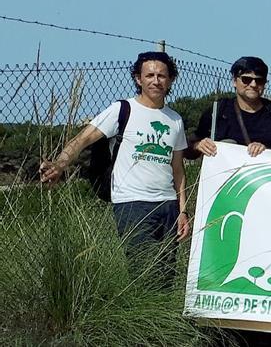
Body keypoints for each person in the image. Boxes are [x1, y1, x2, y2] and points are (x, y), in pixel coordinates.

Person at [39, 52, 191, 250]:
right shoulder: (122, 110)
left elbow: (178, 169)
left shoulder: (175, 119)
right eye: (149, 76)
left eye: (161, 76)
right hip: (132, 204)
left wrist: (183, 211)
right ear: (138, 79)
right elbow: (83, 138)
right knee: (142, 269)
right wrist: (59, 164)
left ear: (170, 80)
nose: (156, 81)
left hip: (168, 205)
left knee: (164, 277)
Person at [191, 56, 271, 158]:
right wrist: (198, 146)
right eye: (246, 79)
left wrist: (267, 151)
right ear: (234, 81)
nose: (253, 84)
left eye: (259, 80)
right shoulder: (219, 110)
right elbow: (188, 149)